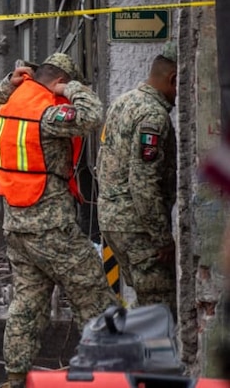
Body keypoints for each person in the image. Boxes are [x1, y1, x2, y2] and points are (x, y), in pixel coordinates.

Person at [0, 53, 115, 388]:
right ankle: (113, 373)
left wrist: (5, 85)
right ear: (58, 82)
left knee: (26, 307)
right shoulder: (47, 112)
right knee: (95, 296)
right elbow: (91, 114)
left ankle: (14, 378)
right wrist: (72, 88)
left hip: (15, 227)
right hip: (51, 227)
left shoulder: (10, 104)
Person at [96, 42, 178, 318]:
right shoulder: (152, 116)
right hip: (138, 228)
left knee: (146, 305)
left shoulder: (124, 102)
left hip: (114, 221)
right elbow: (144, 182)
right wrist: (162, 237)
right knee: (160, 308)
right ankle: (154, 361)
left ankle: (140, 358)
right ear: (174, 79)